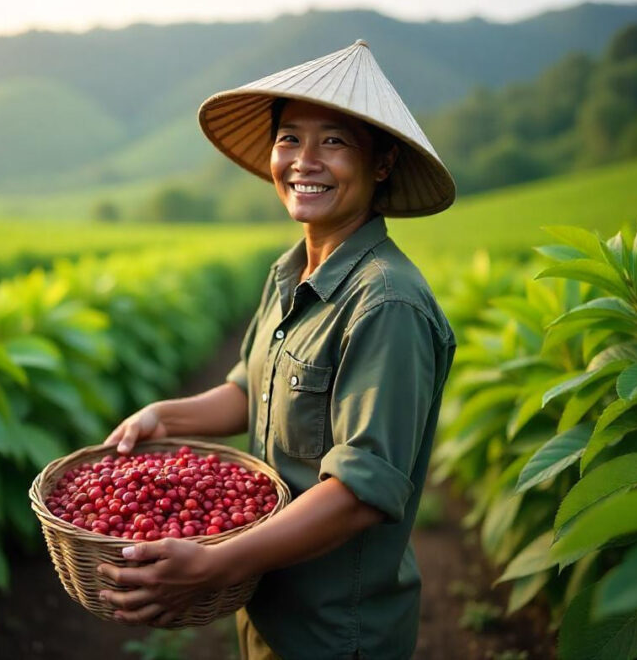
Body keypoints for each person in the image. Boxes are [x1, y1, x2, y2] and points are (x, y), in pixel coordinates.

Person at [98, 39, 458, 660]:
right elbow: (248, 389)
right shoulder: (289, 273)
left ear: (382, 164)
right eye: (289, 138)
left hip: (337, 630)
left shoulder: (387, 304)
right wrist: (164, 415)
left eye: (335, 142)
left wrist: (215, 561)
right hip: (270, 603)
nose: (304, 161)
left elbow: (359, 493)